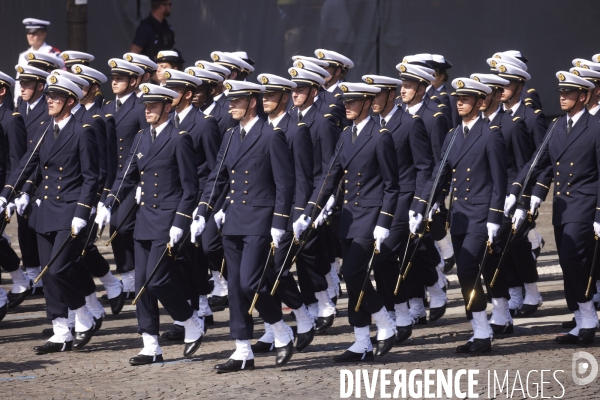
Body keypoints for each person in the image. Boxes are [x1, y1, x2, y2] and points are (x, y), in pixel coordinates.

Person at [191, 80, 296, 373]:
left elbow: (285, 183)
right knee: (236, 287)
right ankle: (242, 350)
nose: (230, 106)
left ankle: (280, 329)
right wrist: (204, 211)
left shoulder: (270, 136)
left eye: (236, 102)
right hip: (234, 218)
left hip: (261, 220)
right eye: (229, 101)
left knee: (251, 282)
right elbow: (218, 177)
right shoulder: (229, 136)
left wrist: (280, 221)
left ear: (252, 102)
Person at [294, 82, 400, 362]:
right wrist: (310, 211)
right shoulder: (345, 135)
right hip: (350, 217)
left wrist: (385, 220)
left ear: (367, 103)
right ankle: (361, 341)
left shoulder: (381, 136)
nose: (347, 107)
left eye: (353, 102)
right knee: (354, 281)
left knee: (354, 273)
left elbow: (392, 185)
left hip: (371, 217)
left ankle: (385, 322)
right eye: (345, 103)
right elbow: (330, 177)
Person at [0, 73, 100, 354]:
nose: (50, 101)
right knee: (48, 273)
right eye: (49, 97)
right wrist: (6, 194)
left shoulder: (83, 130)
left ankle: (82, 315)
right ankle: (60, 330)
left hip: (70, 210)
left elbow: (91, 177)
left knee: (60, 268)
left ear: (71, 101)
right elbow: (26, 165)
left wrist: (83, 212)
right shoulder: (45, 129)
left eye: (56, 98)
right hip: (46, 211)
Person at [506, 71, 599, 346]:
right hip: (562, 205)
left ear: (584, 96)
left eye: (569, 93)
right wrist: (520, 191)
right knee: (567, 263)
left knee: (574, 259)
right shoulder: (558, 126)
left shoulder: (595, 127)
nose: (562, 97)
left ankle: (588, 316)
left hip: (585, 204)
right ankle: (580, 317)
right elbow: (540, 164)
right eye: (561, 92)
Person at [418, 77, 507, 354]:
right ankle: (479, 327)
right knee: (466, 274)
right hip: (459, 216)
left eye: (466, 99)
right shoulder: (453, 135)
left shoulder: (491, 134)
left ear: (481, 103)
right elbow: (441, 173)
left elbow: (499, 180)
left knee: (469, 265)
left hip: (481, 214)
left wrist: (495, 216)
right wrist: (426, 203)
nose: (460, 103)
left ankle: (485, 329)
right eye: (458, 99)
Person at [251, 73, 316, 353]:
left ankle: (302, 316)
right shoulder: (261, 128)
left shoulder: (296, 129)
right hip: (261, 213)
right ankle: (274, 327)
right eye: (263, 96)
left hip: (287, 213)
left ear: (285, 97)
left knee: (274, 269)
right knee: (261, 272)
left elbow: (302, 176)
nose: (266, 101)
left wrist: (299, 214)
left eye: (272, 96)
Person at [469, 71, 535, 333]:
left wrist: (520, 201)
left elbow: (525, 166)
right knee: (487, 258)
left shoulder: (512, 124)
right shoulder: (477, 125)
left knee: (494, 255)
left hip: (505, 200)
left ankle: (501, 312)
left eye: (487, 94)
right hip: (480, 200)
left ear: (497, 94)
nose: (482, 99)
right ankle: (502, 310)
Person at [159, 68, 221, 341]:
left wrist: (205, 205)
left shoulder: (204, 123)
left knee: (193, 257)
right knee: (175, 260)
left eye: (174, 91)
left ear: (187, 94)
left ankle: (200, 310)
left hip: (195, 199)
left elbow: (214, 167)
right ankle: (189, 314)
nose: (169, 95)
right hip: (170, 198)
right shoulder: (167, 121)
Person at [489, 60, 548, 314]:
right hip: (499, 192)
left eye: (508, 83)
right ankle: (516, 293)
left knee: (513, 242)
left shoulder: (530, 118)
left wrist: (526, 199)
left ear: (520, 84)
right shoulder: (498, 117)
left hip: (519, 191)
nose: (502, 89)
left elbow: (536, 161)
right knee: (506, 244)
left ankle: (531, 293)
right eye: (498, 84)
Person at [102, 59, 148, 298]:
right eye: (113, 78)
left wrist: (143, 180)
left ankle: (135, 276)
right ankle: (128, 279)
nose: (115, 82)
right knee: (115, 226)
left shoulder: (141, 107)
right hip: (114, 179)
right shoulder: (108, 107)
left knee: (123, 225)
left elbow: (147, 144)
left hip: (134, 179)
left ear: (134, 81)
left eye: (120, 79)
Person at [10, 64, 50, 305]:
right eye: (21, 84)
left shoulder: (47, 111)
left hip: (41, 177)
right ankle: (33, 273)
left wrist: (27, 186)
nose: (22, 88)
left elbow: (39, 153)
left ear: (40, 87)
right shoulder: (20, 108)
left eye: (27, 84)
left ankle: (43, 274)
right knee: (24, 225)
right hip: (22, 173)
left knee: (38, 226)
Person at [14, 18, 61, 106]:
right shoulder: (23, 55)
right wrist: (17, 101)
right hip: (25, 102)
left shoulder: (53, 54)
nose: (30, 36)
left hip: (46, 101)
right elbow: (18, 82)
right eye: (28, 33)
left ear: (43, 34)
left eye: (34, 33)